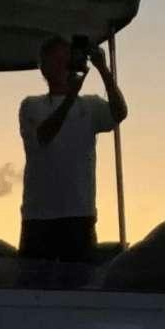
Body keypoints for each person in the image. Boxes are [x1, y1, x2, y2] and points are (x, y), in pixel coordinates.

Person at [17, 35, 127, 265]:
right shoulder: (31, 106)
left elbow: (119, 113)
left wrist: (103, 69)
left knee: (80, 281)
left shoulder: (91, 105)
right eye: (56, 61)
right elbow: (44, 136)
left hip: (79, 215)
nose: (63, 66)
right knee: (33, 282)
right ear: (44, 68)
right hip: (39, 217)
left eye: (66, 60)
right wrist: (69, 99)